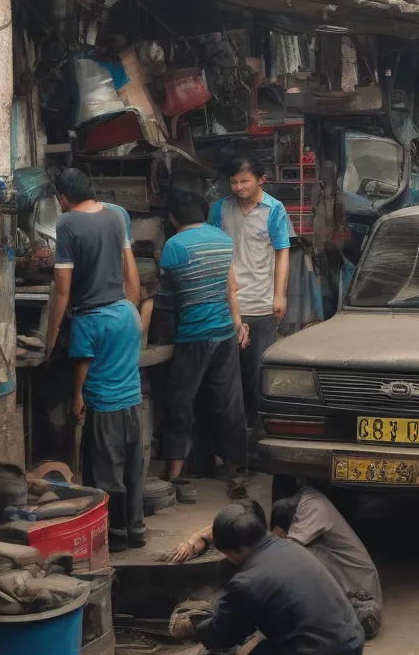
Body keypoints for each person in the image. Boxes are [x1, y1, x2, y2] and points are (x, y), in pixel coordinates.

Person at [170, 503, 364, 655]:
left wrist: (194, 627)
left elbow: (222, 636)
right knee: (267, 639)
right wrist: (198, 537)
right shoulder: (290, 547)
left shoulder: (246, 582)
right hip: (351, 645)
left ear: (236, 550)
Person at [45, 167, 145, 552]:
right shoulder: (117, 214)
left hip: (94, 322)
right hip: (122, 312)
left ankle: (113, 537)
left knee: (104, 471)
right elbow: (129, 268)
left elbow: (63, 290)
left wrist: (51, 341)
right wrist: (129, 305)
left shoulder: (67, 222)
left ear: (63, 197)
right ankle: (135, 530)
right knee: (133, 467)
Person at [165, 486, 383, 639]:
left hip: (361, 603)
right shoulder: (301, 504)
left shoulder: (309, 517)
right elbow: (245, 525)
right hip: (341, 622)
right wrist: (195, 539)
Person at [159, 191, 250, 496]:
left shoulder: (172, 247)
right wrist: (237, 321)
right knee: (228, 403)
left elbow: (167, 293)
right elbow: (230, 285)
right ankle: (235, 471)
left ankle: (173, 473)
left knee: (180, 401)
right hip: (224, 332)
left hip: (193, 336)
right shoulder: (223, 240)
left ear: (172, 218)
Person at [209, 157, 292, 435]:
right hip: (225, 305)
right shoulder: (219, 209)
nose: (238, 186)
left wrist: (279, 295)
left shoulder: (274, 210)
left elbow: (282, 252)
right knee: (227, 378)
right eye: (233, 181)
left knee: (257, 375)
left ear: (261, 180)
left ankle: (258, 436)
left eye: (244, 180)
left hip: (260, 303)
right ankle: (233, 438)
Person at [271, 490, 382, 638]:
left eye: (282, 533)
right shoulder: (304, 501)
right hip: (344, 578)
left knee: (295, 560)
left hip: (360, 586)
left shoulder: (315, 508)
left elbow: (286, 549)